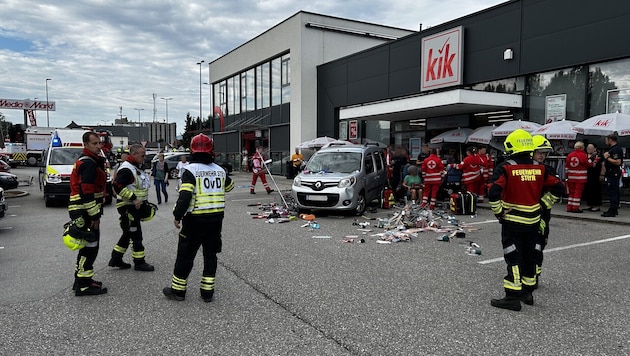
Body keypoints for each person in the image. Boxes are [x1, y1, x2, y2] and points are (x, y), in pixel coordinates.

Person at [488, 129, 564, 311]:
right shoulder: (541, 168)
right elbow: (560, 188)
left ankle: (512, 297)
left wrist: (500, 213)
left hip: (513, 221)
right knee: (530, 255)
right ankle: (527, 293)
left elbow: (493, 192)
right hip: (534, 221)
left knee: (513, 256)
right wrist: (544, 204)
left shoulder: (505, 168)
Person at [163, 134, 234, 302]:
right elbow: (230, 187)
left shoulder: (190, 171)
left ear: (192, 150)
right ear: (211, 151)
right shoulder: (220, 170)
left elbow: (185, 197)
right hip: (216, 221)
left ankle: (178, 291)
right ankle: (207, 293)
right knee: (210, 255)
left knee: (185, 255)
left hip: (194, 220)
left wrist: (177, 216)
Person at [67, 132, 108, 296]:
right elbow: (86, 192)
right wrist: (94, 216)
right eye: (95, 143)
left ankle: (82, 280)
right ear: (86, 144)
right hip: (85, 211)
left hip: (82, 210)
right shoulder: (89, 163)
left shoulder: (89, 161)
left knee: (88, 247)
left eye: (99, 143)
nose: (99, 146)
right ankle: (83, 285)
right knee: (90, 247)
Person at [108, 144, 156, 272]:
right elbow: (117, 185)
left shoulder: (136, 168)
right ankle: (139, 262)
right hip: (128, 206)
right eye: (142, 155)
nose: (144, 158)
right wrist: (133, 198)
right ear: (134, 154)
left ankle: (116, 258)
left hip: (134, 207)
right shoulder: (127, 169)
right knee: (136, 234)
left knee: (128, 233)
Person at [531, 135, 559, 288]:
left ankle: (535, 273)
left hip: (542, 213)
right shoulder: (525, 168)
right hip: (526, 212)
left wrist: (544, 203)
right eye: (538, 152)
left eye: (544, 152)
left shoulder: (548, 170)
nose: (541, 155)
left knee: (540, 243)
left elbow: (559, 189)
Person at [564, 141, 590, 213]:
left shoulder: (570, 155)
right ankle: (575, 208)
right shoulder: (583, 155)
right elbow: (588, 164)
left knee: (571, 192)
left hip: (571, 177)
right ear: (581, 147)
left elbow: (566, 167)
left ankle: (569, 207)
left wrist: (567, 176)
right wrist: (594, 161)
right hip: (580, 178)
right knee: (577, 193)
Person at [601, 132, 623, 217]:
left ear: (610, 140)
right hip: (611, 173)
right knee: (612, 191)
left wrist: (607, 158)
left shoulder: (616, 149)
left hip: (613, 173)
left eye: (606, 140)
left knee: (613, 191)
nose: (605, 142)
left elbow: (618, 162)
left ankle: (613, 210)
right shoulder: (612, 149)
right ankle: (613, 209)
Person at [584, 143, 602, 212]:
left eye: (591, 148)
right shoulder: (585, 155)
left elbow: (601, 164)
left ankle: (596, 205)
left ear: (595, 148)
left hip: (596, 175)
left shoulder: (598, 155)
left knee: (596, 190)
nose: (589, 149)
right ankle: (589, 204)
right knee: (588, 190)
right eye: (588, 148)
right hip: (587, 175)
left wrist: (602, 174)